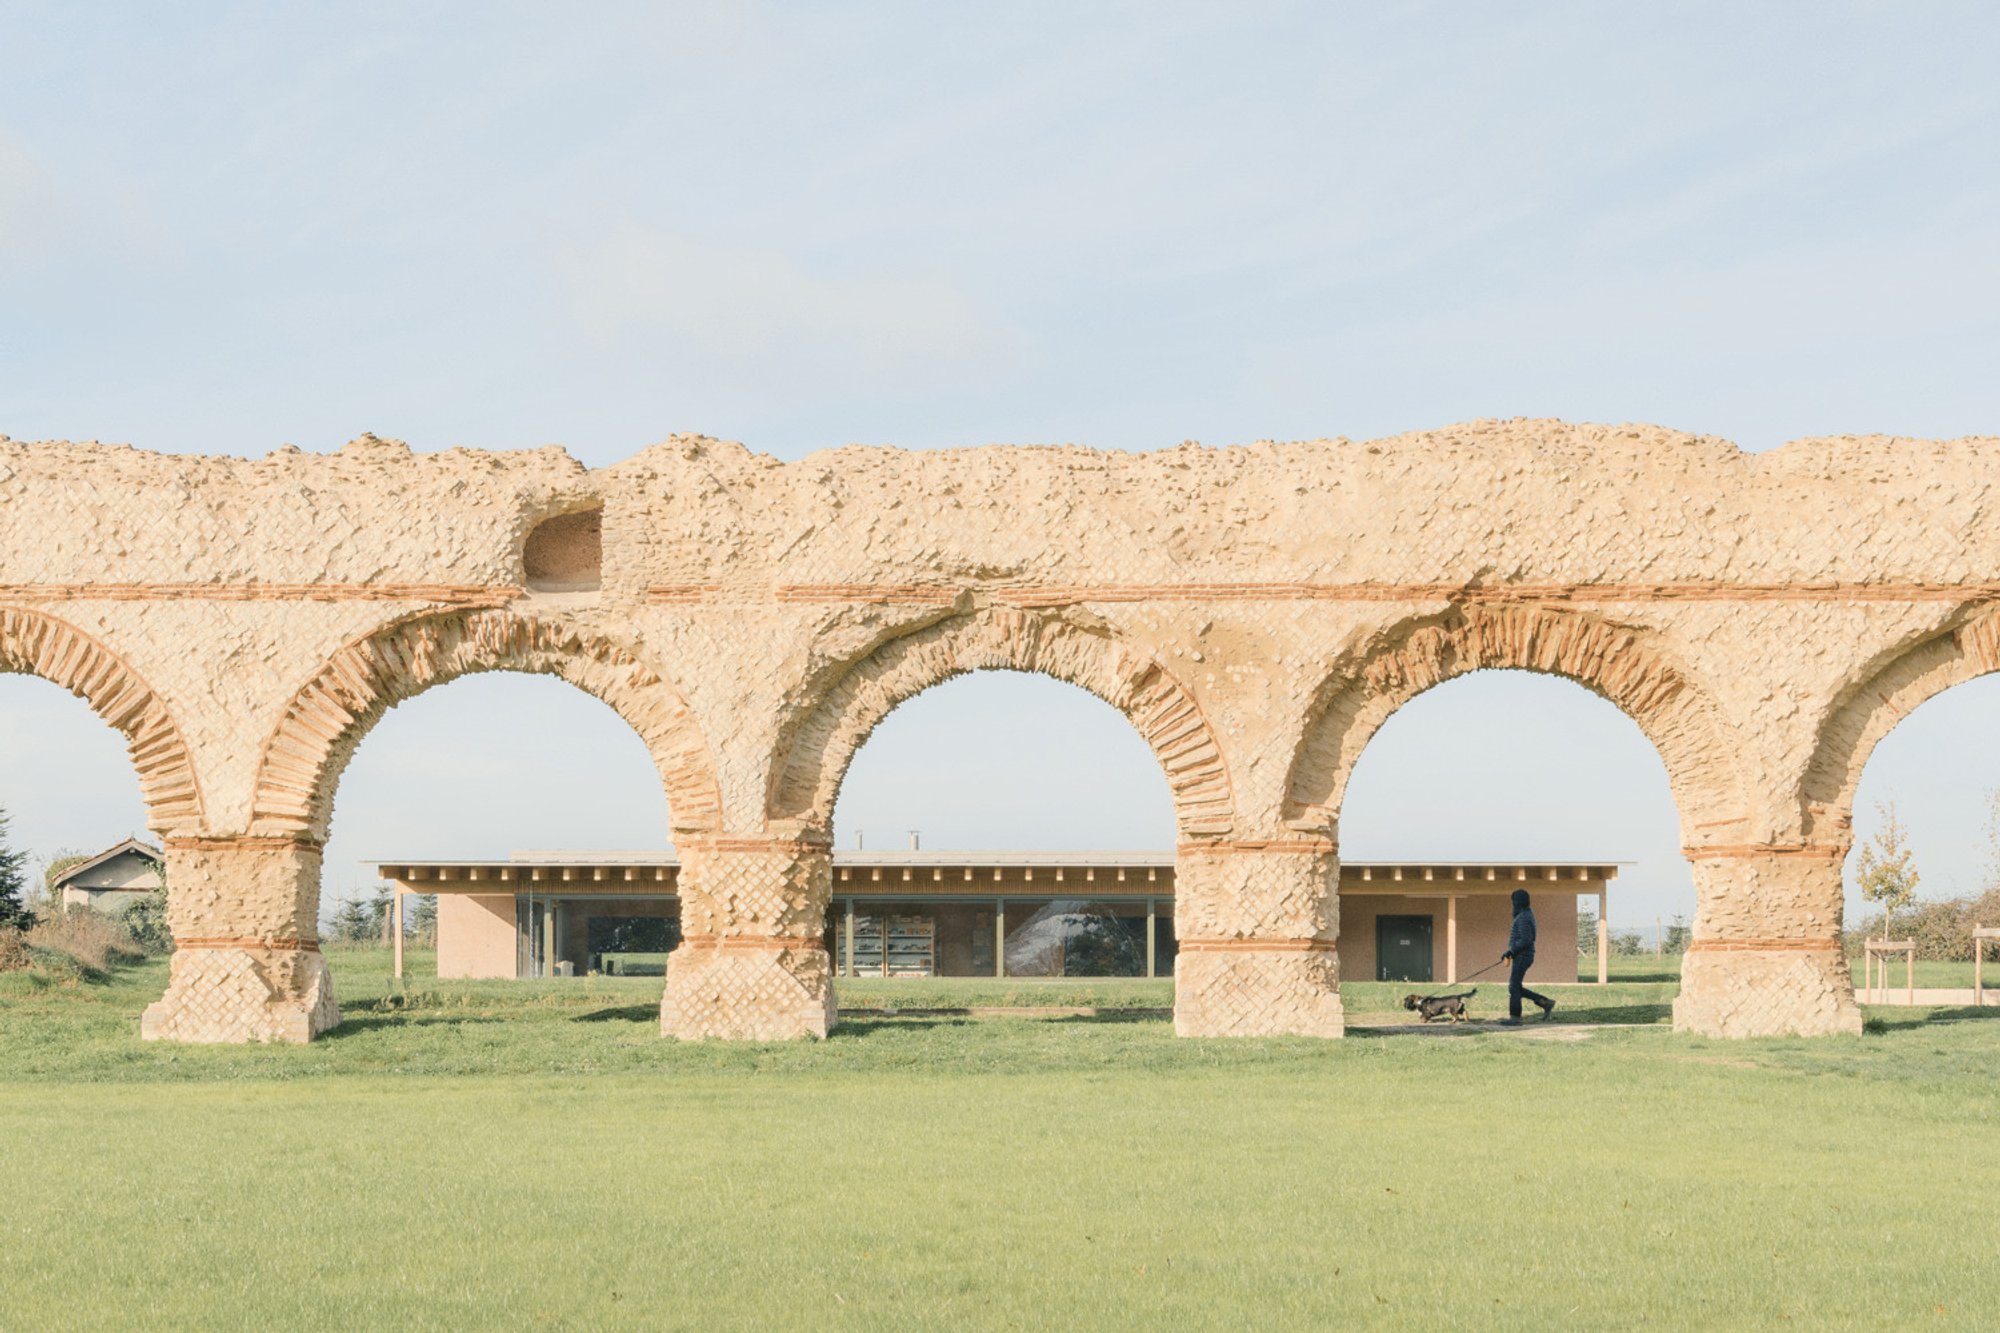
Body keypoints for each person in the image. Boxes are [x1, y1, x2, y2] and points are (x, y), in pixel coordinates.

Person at [1500, 888, 1556, 1024]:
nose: (1513, 904)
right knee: (1515, 987)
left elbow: (1526, 939)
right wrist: (1510, 952)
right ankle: (1545, 1002)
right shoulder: (1525, 914)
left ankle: (1515, 1018)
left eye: (1514, 902)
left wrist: (1511, 952)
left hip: (1523, 956)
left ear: (1518, 902)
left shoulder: (1524, 917)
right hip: (1522, 955)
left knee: (1514, 986)